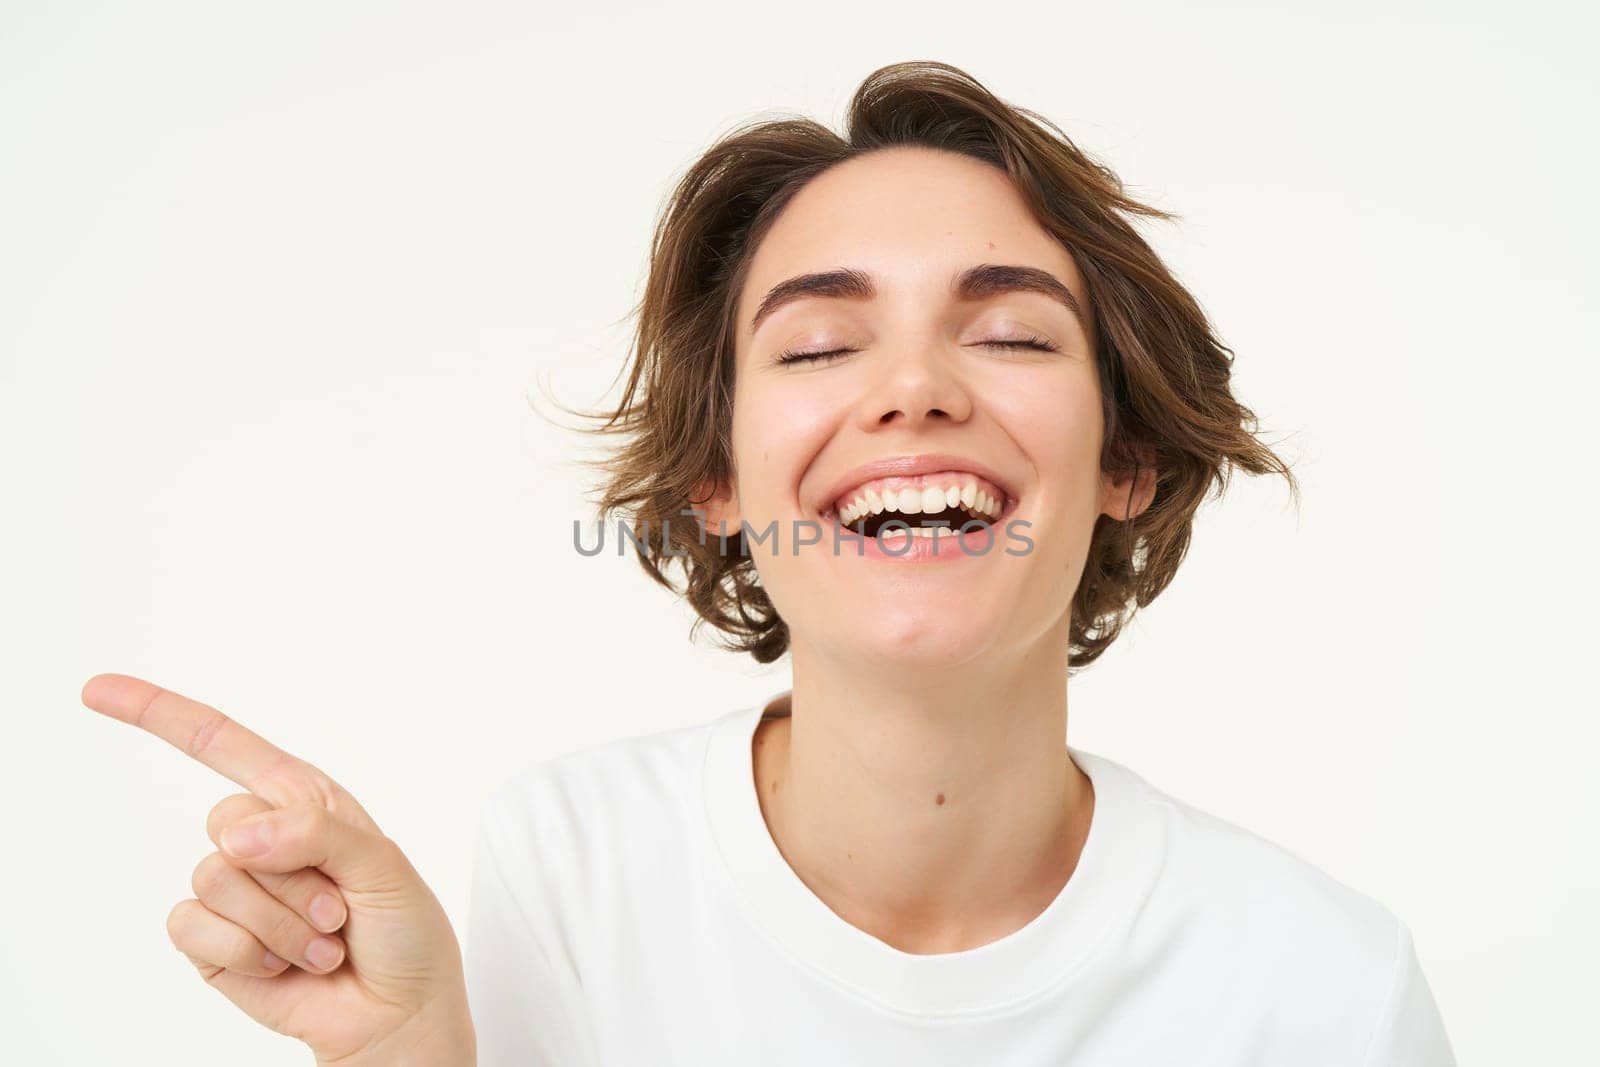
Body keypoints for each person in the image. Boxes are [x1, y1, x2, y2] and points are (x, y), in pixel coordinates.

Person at [82, 61, 1456, 1065]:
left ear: (1126, 460)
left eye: (1014, 336)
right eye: (815, 346)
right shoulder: (566, 869)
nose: (912, 388)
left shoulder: (1322, 983)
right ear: (719, 479)